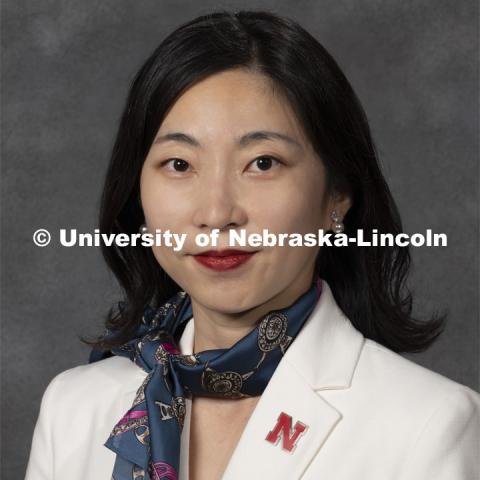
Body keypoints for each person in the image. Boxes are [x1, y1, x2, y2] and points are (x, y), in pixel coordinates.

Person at [25, 9, 479, 480]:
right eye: (179, 165)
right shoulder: (73, 409)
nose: (217, 214)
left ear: (338, 194)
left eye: (262, 163)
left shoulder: (430, 425)